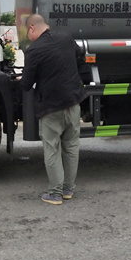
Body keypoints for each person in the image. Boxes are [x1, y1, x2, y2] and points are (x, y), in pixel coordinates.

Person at [20, 14, 87, 205]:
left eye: (27, 32)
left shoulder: (34, 50)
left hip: (51, 108)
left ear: (32, 28)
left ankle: (55, 193)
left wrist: (22, 79)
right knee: (71, 146)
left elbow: (26, 84)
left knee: (52, 148)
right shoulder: (66, 37)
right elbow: (79, 57)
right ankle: (68, 190)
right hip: (73, 102)